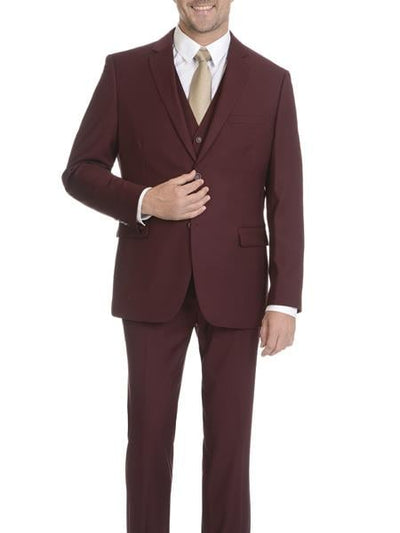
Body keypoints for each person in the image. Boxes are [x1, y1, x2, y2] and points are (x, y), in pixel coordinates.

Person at [61, 1, 304, 531]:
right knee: (148, 439)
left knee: (230, 446)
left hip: (238, 288)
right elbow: (79, 171)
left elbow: (286, 196)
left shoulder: (272, 81)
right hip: (150, 282)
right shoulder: (124, 70)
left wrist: (284, 300)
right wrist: (146, 199)